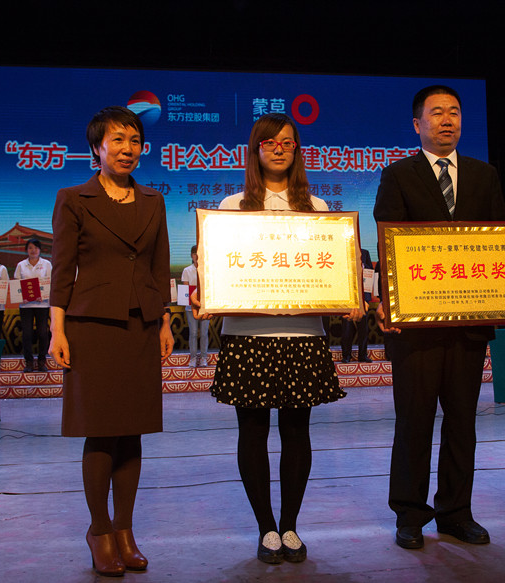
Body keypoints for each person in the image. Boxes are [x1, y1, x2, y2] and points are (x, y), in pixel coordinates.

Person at [201, 113, 359, 564]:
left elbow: (333, 273)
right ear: (255, 150)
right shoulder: (231, 208)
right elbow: (220, 271)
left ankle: (290, 525)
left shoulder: (319, 210)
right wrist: (209, 294)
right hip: (247, 336)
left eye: (287, 142)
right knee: (252, 432)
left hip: (302, 334)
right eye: (269, 142)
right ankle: (265, 528)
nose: (278, 149)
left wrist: (348, 295)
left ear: (297, 151)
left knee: (296, 431)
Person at [373, 85, 505, 549]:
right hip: (416, 326)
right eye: (436, 113)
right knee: (414, 421)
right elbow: (388, 241)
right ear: (418, 124)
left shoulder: (484, 175)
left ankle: (455, 513)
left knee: (462, 422)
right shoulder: (398, 175)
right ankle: (409, 514)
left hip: (469, 323)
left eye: (454, 112)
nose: (447, 120)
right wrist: (387, 303)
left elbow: (500, 242)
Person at [49, 106, 172, 577]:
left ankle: (125, 530)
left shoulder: (153, 200)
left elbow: (158, 267)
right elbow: (63, 270)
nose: (127, 149)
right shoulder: (73, 198)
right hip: (92, 326)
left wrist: (164, 322)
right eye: (117, 140)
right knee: (101, 429)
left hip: (141, 324)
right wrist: (58, 330)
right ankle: (99, 530)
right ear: (96, 149)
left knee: (132, 429)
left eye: (134, 140)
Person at [14, 239, 52, 372]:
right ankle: (29, 362)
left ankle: (42, 361)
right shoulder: (21, 265)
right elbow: (16, 284)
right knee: (27, 334)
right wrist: (21, 296)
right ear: (26, 250)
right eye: (30, 248)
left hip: (42, 304)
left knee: (42, 333)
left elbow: (50, 283)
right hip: (26, 306)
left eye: (36, 248)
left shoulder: (46, 264)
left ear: (40, 250)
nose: (33, 250)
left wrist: (44, 295)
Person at [341, 247, 374, 363]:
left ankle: (363, 355)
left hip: (363, 299)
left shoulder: (365, 253)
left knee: (363, 329)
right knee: (347, 329)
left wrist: (367, 299)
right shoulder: (343, 252)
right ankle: (346, 355)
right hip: (348, 298)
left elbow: (370, 275)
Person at [181, 245, 209, 367]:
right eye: (194, 254)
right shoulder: (187, 270)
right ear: (191, 256)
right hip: (190, 306)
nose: (196, 256)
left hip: (204, 306)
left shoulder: (207, 269)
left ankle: (203, 357)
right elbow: (185, 290)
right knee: (193, 333)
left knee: (204, 333)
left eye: (198, 254)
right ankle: (193, 358)